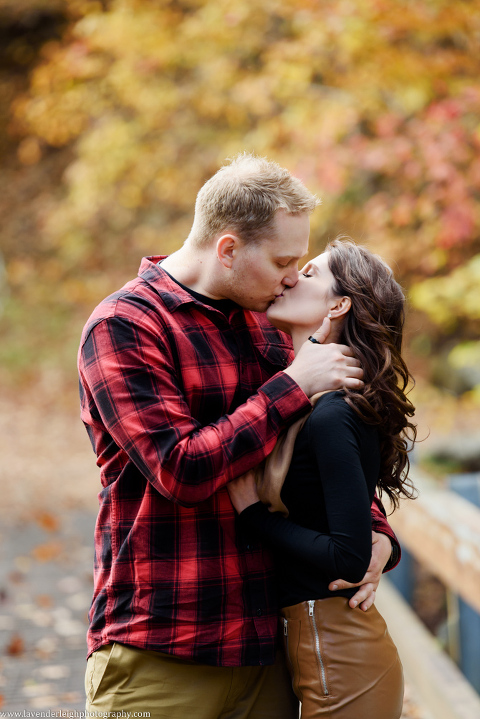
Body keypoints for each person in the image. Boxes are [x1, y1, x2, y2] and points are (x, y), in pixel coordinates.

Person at [78, 154, 400, 719]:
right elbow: (180, 470)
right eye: (282, 260)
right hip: (164, 646)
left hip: (266, 649)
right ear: (228, 250)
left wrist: (378, 537)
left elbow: (318, 460)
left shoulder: (270, 325)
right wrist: (293, 386)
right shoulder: (126, 326)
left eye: (300, 263)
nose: (292, 276)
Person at [227, 239, 417, 719]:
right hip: (315, 644)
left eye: (308, 273)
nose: (291, 278)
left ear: (339, 305)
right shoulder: (307, 402)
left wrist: (253, 516)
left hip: (343, 653)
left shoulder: (333, 414)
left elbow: (350, 559)